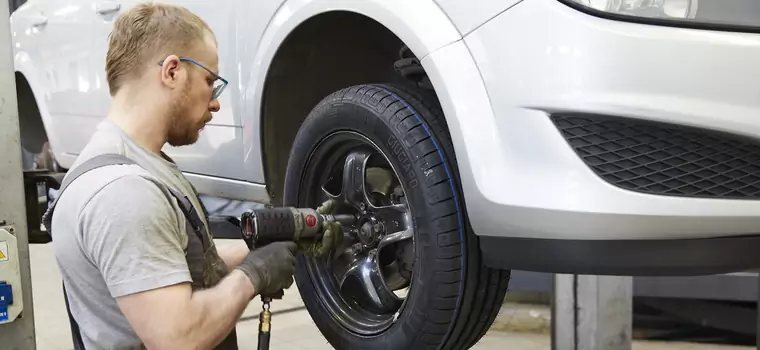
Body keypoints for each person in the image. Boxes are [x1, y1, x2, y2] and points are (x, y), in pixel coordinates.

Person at [42, 3, 298, 349]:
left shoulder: (128, 162)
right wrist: (254, 276)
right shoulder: (123, 194)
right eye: (211, 81)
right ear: (172, 71)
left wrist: (255, 248)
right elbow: (178, 337)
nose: (215, 103)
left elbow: (167, 266)